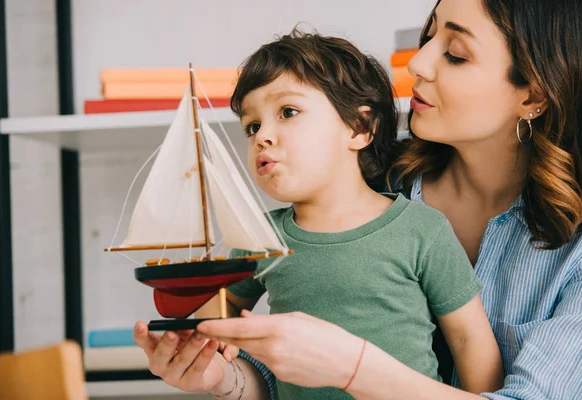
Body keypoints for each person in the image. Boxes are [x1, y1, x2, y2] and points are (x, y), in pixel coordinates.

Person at [196, 0, 582, 398]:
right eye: (429, 35)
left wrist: (353, 367)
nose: (418, 63)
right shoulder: (360, 188)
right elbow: (279, 372)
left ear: (531, 97)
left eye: (456, 54)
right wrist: (219, 377)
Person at [134, 28, 505, 399]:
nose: (263, 135)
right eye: (252, 126)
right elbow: (222, 309)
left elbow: (469, 339)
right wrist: (201, 341)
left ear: (360, 128)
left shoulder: (422, 229)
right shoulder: (260, 239)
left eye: (288, 112)